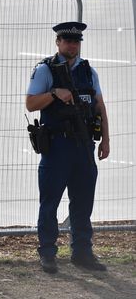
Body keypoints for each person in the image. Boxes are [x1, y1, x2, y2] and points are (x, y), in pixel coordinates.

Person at [26, 22, 110, 273]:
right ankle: (48, 254)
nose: (72, 45)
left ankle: (82, 253)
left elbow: (99, 107)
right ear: (58, 42)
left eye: (76, 41)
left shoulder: (88, 71)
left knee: (83, 202)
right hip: (58, 147)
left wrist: (106, 140)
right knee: (50, 202)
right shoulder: (45, 69)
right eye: (67, 40)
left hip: (84, 146)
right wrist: (54, 94)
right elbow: (30, 104)